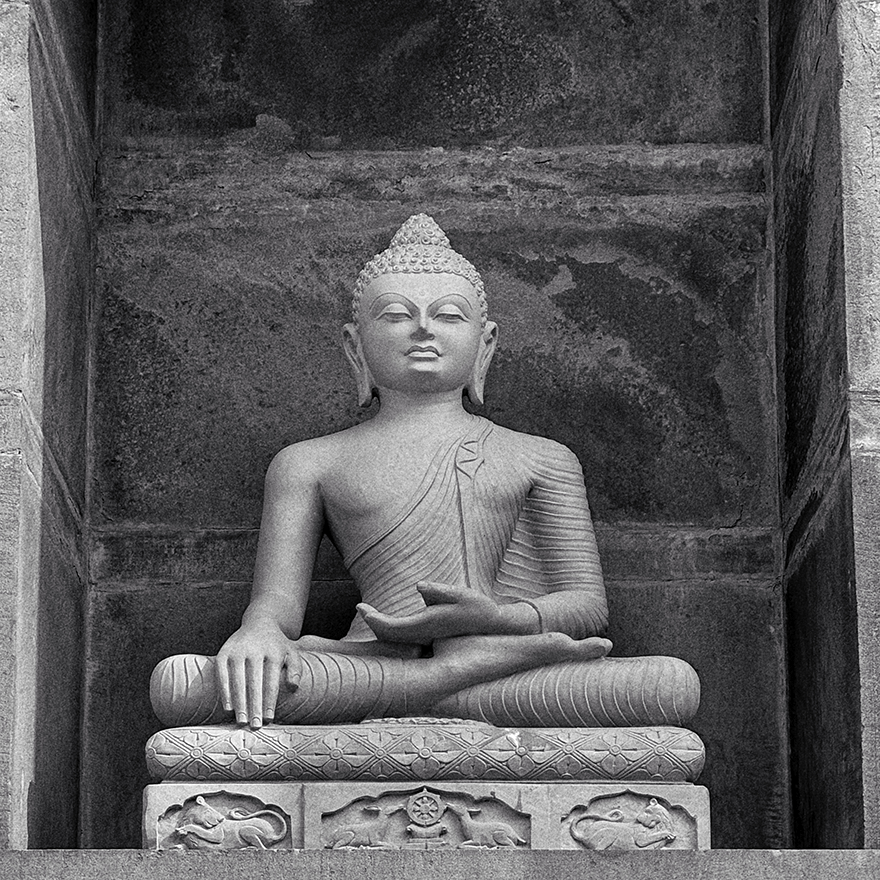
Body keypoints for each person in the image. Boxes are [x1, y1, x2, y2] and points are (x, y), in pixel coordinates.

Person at [151, 214, 700, 731]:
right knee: (181, 684)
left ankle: (441, 679)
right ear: (354, 345)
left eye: (449, 315)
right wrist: (258, 633)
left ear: (485, 343)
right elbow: (276, 608)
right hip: (375, 661)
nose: (422, 329)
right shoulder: (307, 463)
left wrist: (493, 618)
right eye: (395, 315)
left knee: (667, 685)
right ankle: (448, 678)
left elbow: (586, 607)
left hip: (501, 663)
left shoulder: (542, 457)